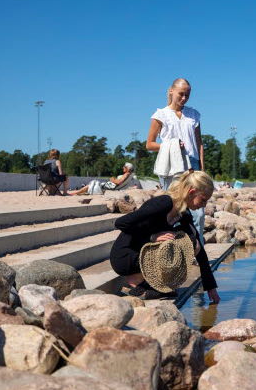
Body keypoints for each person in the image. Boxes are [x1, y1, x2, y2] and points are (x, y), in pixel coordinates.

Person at [109, 170, 220, 303]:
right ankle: (134, 281)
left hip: (144, 253)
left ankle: (146, 283)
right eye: (203, 200)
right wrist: (152, 237)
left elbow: (199, 250)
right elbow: (120, 223)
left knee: (193, 243)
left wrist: (210, 287)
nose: (204, 205)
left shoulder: (183, 213)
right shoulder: (163, 203)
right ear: (191, 192)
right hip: (125, 255)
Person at [146, 78, 206, 242]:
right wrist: (171, 145)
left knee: (198, 213)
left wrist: (202, 169)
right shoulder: (161, 115)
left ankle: (198, 250)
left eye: (187, 95)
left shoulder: (193, 114)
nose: (184, 98)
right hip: (171, 166)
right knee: (173, 210)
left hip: (192, 165)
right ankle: (174, 250)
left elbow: (199, 144)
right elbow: (149, 144)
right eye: (181, 94)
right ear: (171, 91)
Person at [69, 162, 136, 195]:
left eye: (124, 167)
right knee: (91, 185)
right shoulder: (129, 175)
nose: (123, 168)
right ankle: (77, 192)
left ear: (127, 168)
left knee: (90, 186)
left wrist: (112, 179)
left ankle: (75, 192)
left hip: (110, 187)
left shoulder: (126, 174)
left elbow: (118, 182)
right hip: (111, 187)